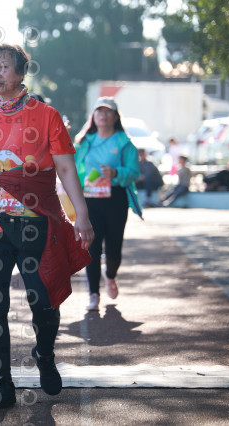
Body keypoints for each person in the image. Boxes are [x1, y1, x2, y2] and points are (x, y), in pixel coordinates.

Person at [0, 44, 94, 408]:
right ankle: (2, 384)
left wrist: (81, 214)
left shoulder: (47, 116)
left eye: (3, 66)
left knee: (43, 300)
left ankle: (44, 353)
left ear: (20, 72)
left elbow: (65, 168)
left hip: (34, 223)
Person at [74, 96, 142, 311]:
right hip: (90, 201)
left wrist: (115, 172)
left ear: (115, 116)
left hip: (115, 200)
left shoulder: (124, 143)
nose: (103, 115)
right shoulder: (84, 141)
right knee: (91, 247)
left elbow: (134, 173)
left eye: (107, 111)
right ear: (93, 116)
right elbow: (72, 170)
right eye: (99, 111)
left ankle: (110, 275)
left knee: (114, 248)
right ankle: (93, 294)